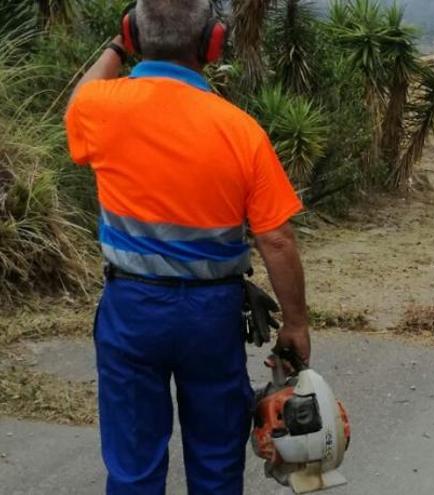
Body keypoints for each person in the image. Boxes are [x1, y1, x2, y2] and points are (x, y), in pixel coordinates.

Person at [63, 1, 310, 493]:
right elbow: (276, 239)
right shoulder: (241, 130)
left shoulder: (99, 108)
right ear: (213, 43)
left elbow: (78, 98)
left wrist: (117, 45)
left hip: (131, 309)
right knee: (217, 459)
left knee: (133, 462)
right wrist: (297, 322)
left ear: (133, 34)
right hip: (210, 315)